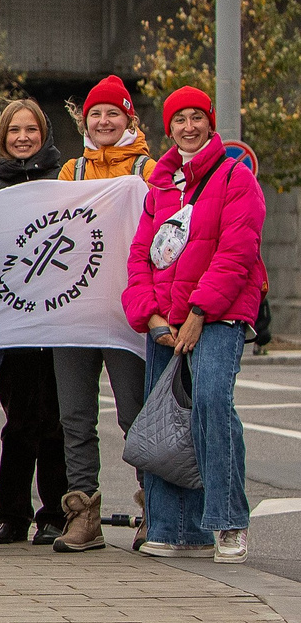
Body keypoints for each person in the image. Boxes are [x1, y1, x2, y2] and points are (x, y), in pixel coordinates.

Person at [124, 86, 264, 565]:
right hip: (167, 319)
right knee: (167, 416)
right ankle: (173, 528)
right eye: (179, 119)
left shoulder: (235, 177)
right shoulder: (159, 187)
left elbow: (237, 251)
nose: (188, 127)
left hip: (219, 314)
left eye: (196, 118)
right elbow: (140, 257)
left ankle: (228, 522)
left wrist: (199, 312)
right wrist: (152, 315)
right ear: (169, 128)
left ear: (210, 122)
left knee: (209, 404)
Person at [49, 75, 154, 552]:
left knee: (136, 415)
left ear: (129, 118)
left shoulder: (150, 170)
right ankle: (82, 513)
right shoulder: (70, 172)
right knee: (75, 417)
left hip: (129, 311)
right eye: (96, 114)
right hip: (74, 311)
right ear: (85, 121)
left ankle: (155, 508)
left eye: (114, 113)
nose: (105, 121)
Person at [0, 96, 68, 544]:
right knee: (17, 418)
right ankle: (12, 513)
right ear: (3, 138)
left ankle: (56, 510)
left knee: (55, 419)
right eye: (14, 131)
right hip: (11, 321)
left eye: (31, 130)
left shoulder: (65, 181)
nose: (22, 138)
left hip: (57, 319)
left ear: (44, 135)